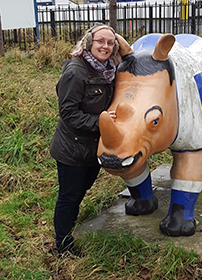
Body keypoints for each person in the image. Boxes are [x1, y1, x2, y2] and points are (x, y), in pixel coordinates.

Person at [50, 23, 120, 258]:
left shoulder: (109, 69)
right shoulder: (76, 71)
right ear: (89, 42)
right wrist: (101, 122)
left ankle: (68, 228)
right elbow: (68, 114)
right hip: (72, 148)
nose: (105, 46)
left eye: (110, 43)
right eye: (101, 41)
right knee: (69, 196)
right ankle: (64, 246)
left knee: (80, 192)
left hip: (92, 149)